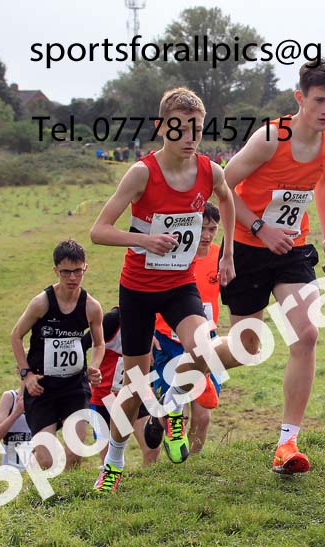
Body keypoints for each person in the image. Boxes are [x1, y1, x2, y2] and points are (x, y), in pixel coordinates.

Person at [89, 87, 236, 493]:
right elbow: (98, 231)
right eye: (180, 128)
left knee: (204, 349)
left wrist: (227, 255)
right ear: (161, 127)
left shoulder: (210, 171)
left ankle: (171, 406)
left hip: (179, 286)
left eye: (197, 129)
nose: (189, 137)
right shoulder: (142, 173)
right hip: (137, 291)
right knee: (133, 390)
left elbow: (227, 200)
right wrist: (143, 241)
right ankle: (114, 463)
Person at [221, 60, 325, 474]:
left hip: (292, 247)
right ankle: (187, 371)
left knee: (306, 332)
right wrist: (260, 229)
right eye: (318, 101)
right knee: (246, 348)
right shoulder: (270, 137)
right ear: (300, 98)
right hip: (248, 246)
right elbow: (222, 185)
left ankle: (287, 443)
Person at [10, 240, 104, 470]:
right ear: (56, 270)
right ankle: (40, 476)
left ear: (85, 268)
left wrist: (94, 366)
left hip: (74, 385)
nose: (72, 278)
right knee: (47, 460)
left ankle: (70, 501)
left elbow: (99, 344)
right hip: (42, 387)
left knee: (75, 452)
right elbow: (16, 336)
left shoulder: (91, 307)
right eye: (66, 272)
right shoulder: (42, 303)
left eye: (77, 271)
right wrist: (26, 374)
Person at [147, 203, 226, 455]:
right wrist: (148, 334)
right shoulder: (175, 257)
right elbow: (144, 294)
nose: (207, 235)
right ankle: (158, 420)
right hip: (168, 343)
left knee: (202, 416)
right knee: (173, 417)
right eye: (202, 228)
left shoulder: (220, 257)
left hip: (205, 343)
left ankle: (190, 467)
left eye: (212, 229)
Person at [83, 307, 158, 465]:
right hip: (106, 396)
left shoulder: (153, 318)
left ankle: (147, 487)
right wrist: (87, 374)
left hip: (137, 392)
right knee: (109, 460)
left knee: (152, 448)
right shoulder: (112, 320)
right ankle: (111, 486)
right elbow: (82, 344)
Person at [0, 384, 32, 471]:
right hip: (11, 470)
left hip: (33, 470)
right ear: (18, 371)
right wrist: (17, 413)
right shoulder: (10, 397)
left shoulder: (42, 400)